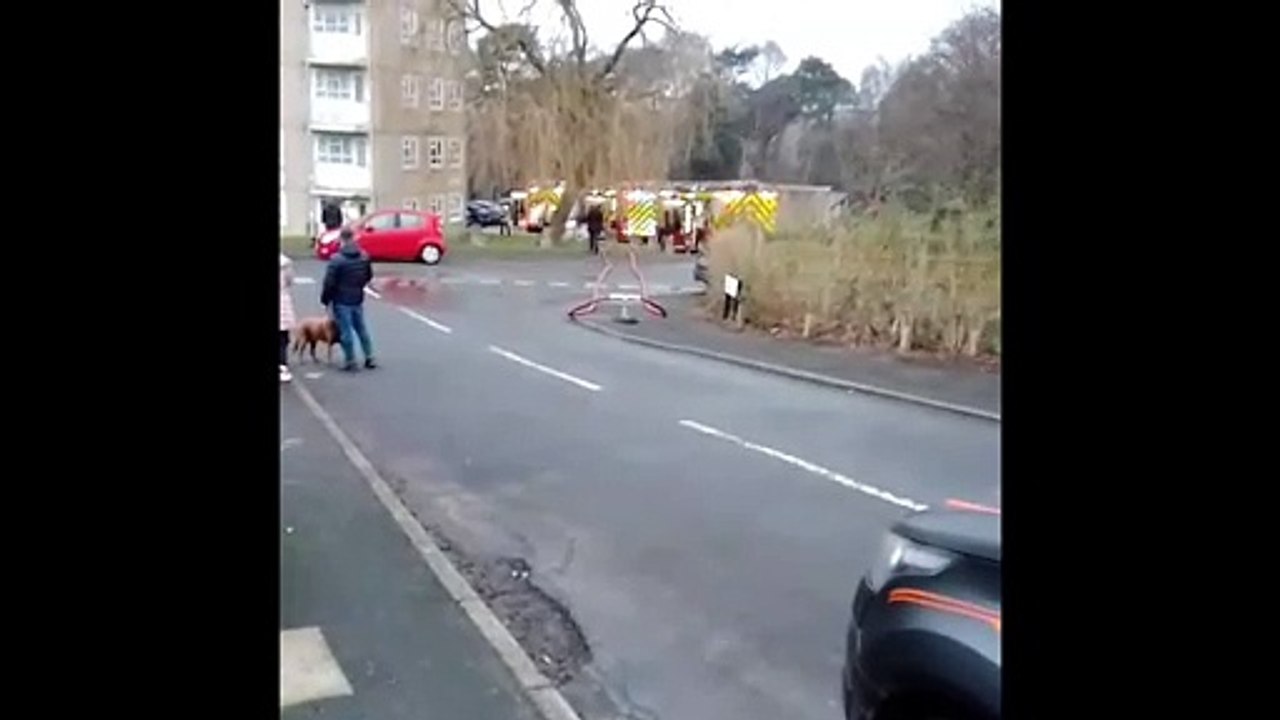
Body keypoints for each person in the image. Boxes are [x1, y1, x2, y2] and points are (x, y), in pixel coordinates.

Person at [321, 229, 377, 372]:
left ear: (341, 240)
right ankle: (369, 357)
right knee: (361, 328)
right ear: (354, 238)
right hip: (357, 298)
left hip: (341, 300)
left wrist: (325, 300)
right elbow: (368, 276)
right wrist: (358, 286)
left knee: (345, 331)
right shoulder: (364, 256)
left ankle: (350, 360)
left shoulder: (337, 260)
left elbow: (329, 283)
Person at [279, 253, 297, 383]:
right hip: (282, 301)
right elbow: (290, 281)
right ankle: (283, 366)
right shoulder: (285, 264)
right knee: (282, 336)